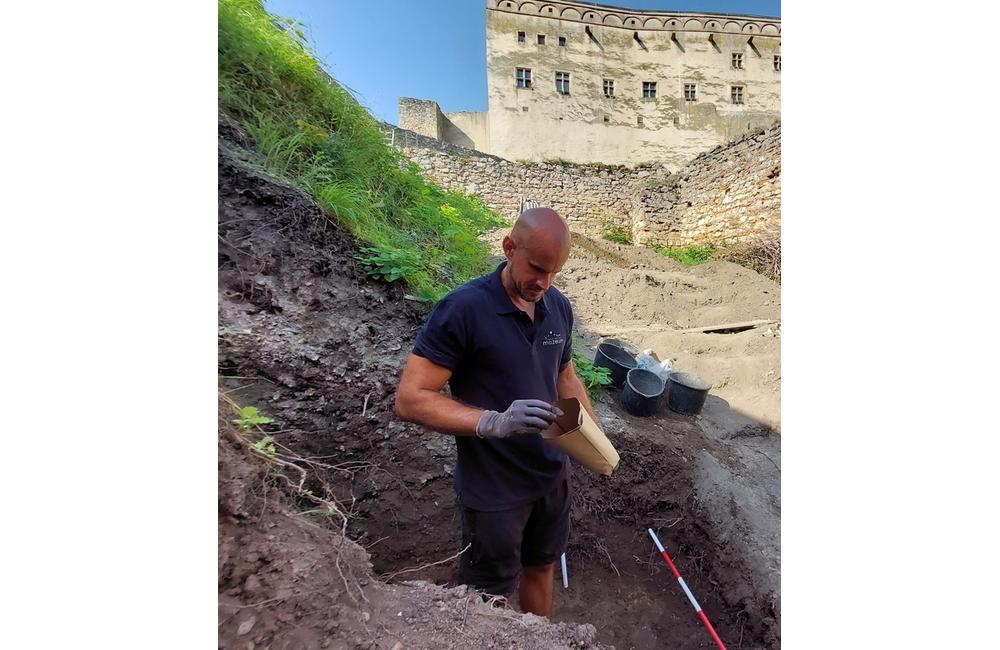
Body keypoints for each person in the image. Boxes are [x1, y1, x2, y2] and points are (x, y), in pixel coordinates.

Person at [394, 207, 597, 617]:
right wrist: (494, 421)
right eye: (537, 268)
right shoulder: (464, 310)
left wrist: (591, 436)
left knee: (541, 568)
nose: (543, 283)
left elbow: (566, 377)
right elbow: (410, 398)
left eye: (554, 272)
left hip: (551, 477)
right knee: (489, 595)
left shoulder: (557, 307)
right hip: (494, 490)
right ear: (508, 248)